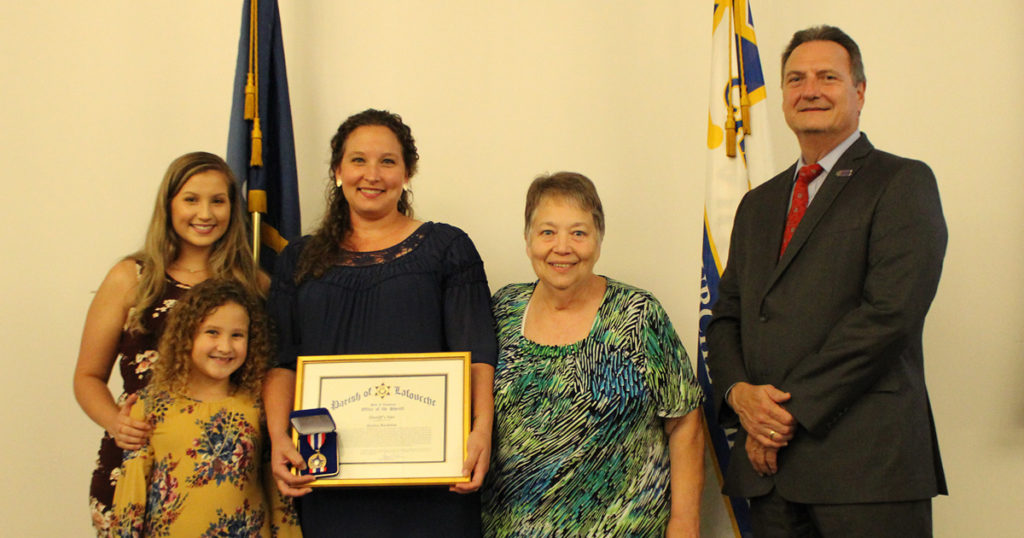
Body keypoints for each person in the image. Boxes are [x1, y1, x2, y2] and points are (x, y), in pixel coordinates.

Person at [707, 25, 948, 537]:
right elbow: (727, 315)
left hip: (867, 472)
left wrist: (779, 418)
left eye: (827, 77)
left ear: (859, 92)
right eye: (795, 78)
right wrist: (738, 394)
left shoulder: (902, 182)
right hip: (771, 480)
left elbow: (889, 316)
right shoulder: (759, 204)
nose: (809, 89)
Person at [264, 108, 497, 537]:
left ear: (407, 173)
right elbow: (280, 361)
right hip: (332, 480)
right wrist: (279, 437)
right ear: (337, 170)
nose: (372, 174)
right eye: (358, 160)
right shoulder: (297, 259)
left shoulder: (448, 247)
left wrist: (482, 430)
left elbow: (478, 351)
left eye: (388, 161)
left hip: (434, 480)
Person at [483, 172, 705, 537]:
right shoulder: (502, 310)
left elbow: (685, 422)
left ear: (599, 240)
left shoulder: (638, 313)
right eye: (547, 232)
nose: (562, 247)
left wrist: (685, 522)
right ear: (527, 240)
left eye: (579, 232)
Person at [72, 151, 268, 534]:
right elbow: (87, 376)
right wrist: (115, 422)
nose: (205, 213)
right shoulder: (132, 277)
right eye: (191, 199)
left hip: (224, 476)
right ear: (169, 204)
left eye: (218, 201)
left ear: (233, 208)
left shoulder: (254, 285)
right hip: (139, 462)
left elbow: (267, 376)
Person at [108, 279, 300, 536]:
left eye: (237, 335)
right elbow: (131, 501)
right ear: (186, 335)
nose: (225, 347)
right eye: (212, 332)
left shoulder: (258, 405)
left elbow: (278, 499)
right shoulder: (150, 406)